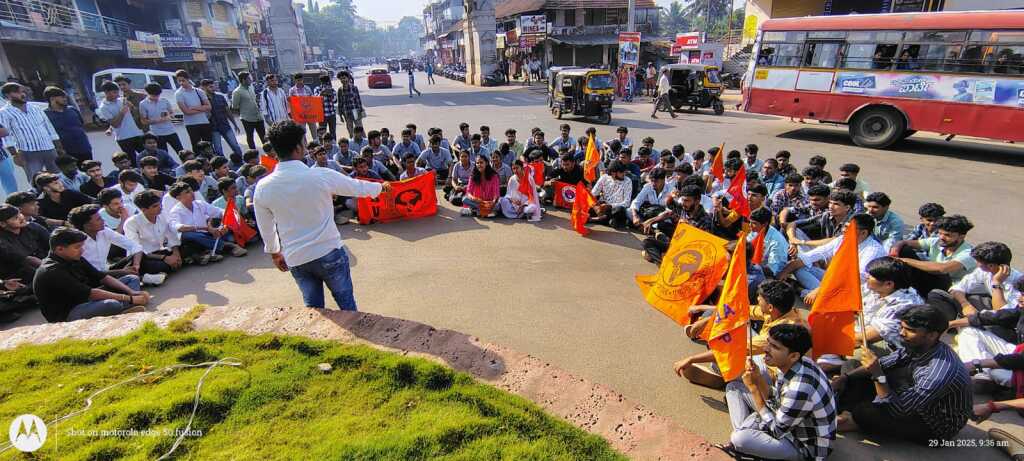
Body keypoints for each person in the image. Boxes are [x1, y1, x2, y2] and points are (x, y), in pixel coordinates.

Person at [254, 120, 389, 310]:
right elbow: (356, 187)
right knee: (347, 306)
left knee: (314, 311)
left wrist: (275, 253)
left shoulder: (263, 187)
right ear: (299, 148)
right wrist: (381, 188)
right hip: (329, 252)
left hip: (296, 258)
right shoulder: (320, 175)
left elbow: (265, 226)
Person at [833, 305, 972, 444]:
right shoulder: (916, 345)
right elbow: (883, 364)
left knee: (865, 412)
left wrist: (877, 374)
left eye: (910, 330)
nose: (902, 333)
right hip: (907, 394)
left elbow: (897, 410)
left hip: (931, 423)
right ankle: (849, 413)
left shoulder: (939, 371)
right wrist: (845, 378)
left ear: (932, 335)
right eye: (902, 327)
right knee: (851, 368)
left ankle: (852, 416)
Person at [721, 323, 836, 461]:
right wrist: (757, 378)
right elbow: (775, 399)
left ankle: (745, 442)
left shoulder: (800, 388)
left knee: (739, 438)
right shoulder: (797, 363)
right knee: (734, 387)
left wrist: (753, 389)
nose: (765, 349)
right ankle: (748, 442)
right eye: (768, 343)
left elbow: (776, 430)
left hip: (804, 447)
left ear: (793, 356)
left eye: (774, 347)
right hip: (788, 423)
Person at [33, 227, 150, 323]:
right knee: (111, 304)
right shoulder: (52, 270)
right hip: (68, 313)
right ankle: (125, 307)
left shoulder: (74, 258)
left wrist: (131, 292)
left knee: (131, 279)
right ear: (60, 249)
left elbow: (103, 277)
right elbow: (92, 294)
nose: (82, 250)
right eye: (77, 247)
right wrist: (129, 298)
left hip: (85, 300)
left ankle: (125, 308)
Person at [777, 214, 886, 299]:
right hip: (834, 280)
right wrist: (782, 275)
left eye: (849, 228)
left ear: (863, 233)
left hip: (856, 290)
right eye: (845, 226)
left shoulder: (872, 251)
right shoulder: (842, 239)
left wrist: (819, 290)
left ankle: (802, 291)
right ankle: (814, 294)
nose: (844, 230)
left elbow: (855, 279)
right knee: (800, 268)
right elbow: (810, 256)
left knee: (824, 299)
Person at [890, 214, 976, 303]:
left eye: (947, 235)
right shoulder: (936, 241)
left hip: (952, 288)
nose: (941, 237)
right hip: (933, 279)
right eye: (940, 233)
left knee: (941, 274)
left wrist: (905, 261)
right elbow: (904, 242)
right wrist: (895, 249)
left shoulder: (969, 253)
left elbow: (942, 269)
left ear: (961, 236)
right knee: (904, 250)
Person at [929, 242, 1022, 320]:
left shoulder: (1018, 282)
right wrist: (965, 305)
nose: (976, 264)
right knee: (937, 294)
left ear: (991, 266)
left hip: (1003, 320)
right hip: (987, 311)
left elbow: (1002, 314)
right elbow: (957, 288)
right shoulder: (983, 271)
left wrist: (997, 283)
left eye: (978, 262)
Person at [0, 82, 63, 182]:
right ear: (8, 95)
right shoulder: (4, 112)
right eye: (17, 92)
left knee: (59, 179)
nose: (23, 94)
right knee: (36, 181)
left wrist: (58, 147)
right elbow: (6, 136)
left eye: (23, 91)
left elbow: (49, 127)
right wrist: (15, 154)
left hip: (49, 148)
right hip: (28, 152)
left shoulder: (36, 108)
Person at [167, 182, 246, 259]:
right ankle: (228, 246)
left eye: (191, 190)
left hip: (207, 235)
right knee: (188, 235)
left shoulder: (199, 203)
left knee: (225, 228)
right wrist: (204, 228)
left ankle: (208, 251)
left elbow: (219, 212)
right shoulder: (175, 211)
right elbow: (178, 227)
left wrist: (223, 225)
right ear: (178, 197)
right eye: (187, 192)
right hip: (193, 238)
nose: (191, 193)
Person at [124, 190, 187, 271]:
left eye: (160, 204)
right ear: (143, 210)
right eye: (155, 206)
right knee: (157, 266)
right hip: (143, 256)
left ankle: (175, 263)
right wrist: (164, 258)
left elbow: (171, 236)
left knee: (187, 247)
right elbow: (136, 249)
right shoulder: (131, 223)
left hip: (160, 251)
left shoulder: (162, 215)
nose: (160, 207)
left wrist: (176, 254)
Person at [0, 204, 50, 288]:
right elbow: (28, 260)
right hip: (21, 279)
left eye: (19, 214)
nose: (21, 217)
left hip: (45, 266)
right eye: (15, 218)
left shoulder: (33, 227)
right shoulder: (2, 241)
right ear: (2, 224)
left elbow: (53, 244)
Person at [43, 86, 91, 162]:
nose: (65, 99)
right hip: (66, 153)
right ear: (52, 99)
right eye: (62, 97)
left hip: (84, 148)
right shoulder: (45, 115)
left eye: (65, 97)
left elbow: (81, 124)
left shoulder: (72, 110)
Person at [200, 79, 243, 158]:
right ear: (204, 88)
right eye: (210, 87)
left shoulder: (220, 97)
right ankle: (222, 166)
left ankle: (241, 160)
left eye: (213, 86)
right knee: (218, 149)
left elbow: (228, 112)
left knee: (235, 146)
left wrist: (235, 124)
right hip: (213, 128)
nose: (213, 88)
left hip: (225, 126)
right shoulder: (202, 100)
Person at [139, 82, 184, 155]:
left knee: (181, 152)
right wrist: (158, 120)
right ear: (148, 93)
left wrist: (170, 116)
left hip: (170, 131)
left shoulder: (164, 100)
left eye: (158, 95)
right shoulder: (143, 104)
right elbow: (144, 121)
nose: (156, 97)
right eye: (154, 95)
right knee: (163, 155)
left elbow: (172, 112)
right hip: (157, 134)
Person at [174, 70, 213, 149]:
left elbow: (209, 107)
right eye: (179, 81)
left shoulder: (199, 91)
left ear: (188, 79)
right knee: (197, 147)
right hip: (191, 124)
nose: (181, 83)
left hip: (204, 121)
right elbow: (186, 112)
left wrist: (194, 107)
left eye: (183, 80)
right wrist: (202, 108)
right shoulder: (178, 93)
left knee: (209, 146)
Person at [590, 161, 632, 229]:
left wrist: (610, 206)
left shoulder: (628, 181)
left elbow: (627, 203)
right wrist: (596, 206)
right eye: (621, 172)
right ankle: (607, 220)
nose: (624, 174)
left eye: (624, 172)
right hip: (602, 207)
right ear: (613, 173)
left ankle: (598, 219)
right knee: (588, 207)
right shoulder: (604, 178)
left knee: (620, 210)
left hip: (615, 209)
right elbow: (593, 194)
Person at [747, 208, 789, 277]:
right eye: (750, 222)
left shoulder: (776, 242)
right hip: (755, 266)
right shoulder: (756, 230)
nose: (750, 225)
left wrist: (747, 267)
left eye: (754, 223)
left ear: (765, 224)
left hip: (769, 274)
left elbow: (771, 270)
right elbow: (747, 246)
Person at [231, 72, 267, 150]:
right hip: (247, 119)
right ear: (243, 80)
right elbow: (235, 107)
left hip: (258, 117)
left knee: (264, 138)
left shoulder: (251, 87)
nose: (251, 80)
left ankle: (270, 157)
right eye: (249, 79)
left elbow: (254, 99)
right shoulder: (237, 92)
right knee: (250, 138)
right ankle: (254, 156)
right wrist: (243, 113)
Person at [336, 71, 364, 138]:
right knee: (350, 131)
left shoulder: (354, 88)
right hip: (347, 113)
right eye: (341, 79)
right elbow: (340, 104)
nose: (343, 80)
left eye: (344, 78)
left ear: (348, 78)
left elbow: (358, 100)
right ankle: (352, 144)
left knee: (360, 129)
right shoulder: (340, 90)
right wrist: (340, 116)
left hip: (355, 112)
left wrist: (361, 111)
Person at [314, 74, 337, 140]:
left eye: (326, 81)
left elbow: (335, 100)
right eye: (323, 82)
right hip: (322, 115)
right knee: (322, 132)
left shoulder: (332, 89)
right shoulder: (317, 89)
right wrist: (322, 93)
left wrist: (331, 95)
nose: (325, 83)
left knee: (333, 132)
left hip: (331, 114)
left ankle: (333, 144)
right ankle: (322, 146)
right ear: (321, 82)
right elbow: (316, 100)